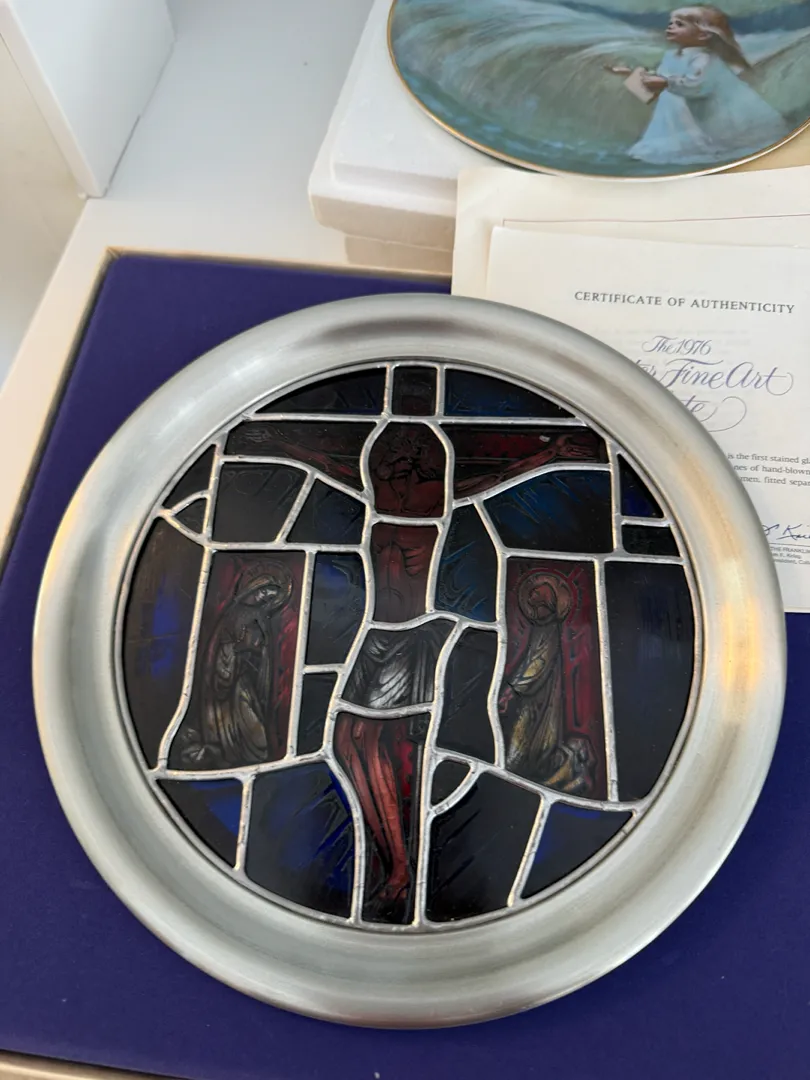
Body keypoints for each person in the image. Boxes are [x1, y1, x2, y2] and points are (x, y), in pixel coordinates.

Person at [608, 6, 789, 165]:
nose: (670, 26)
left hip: (698, 116)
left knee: (701, 147)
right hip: (674, 117)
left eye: (679, 24)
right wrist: (631, 74)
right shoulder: (670, 57)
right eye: (671, 23)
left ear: (703, 34)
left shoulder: (705, 59)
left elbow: (698, 87)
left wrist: (666, 82)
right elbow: (656, 86)